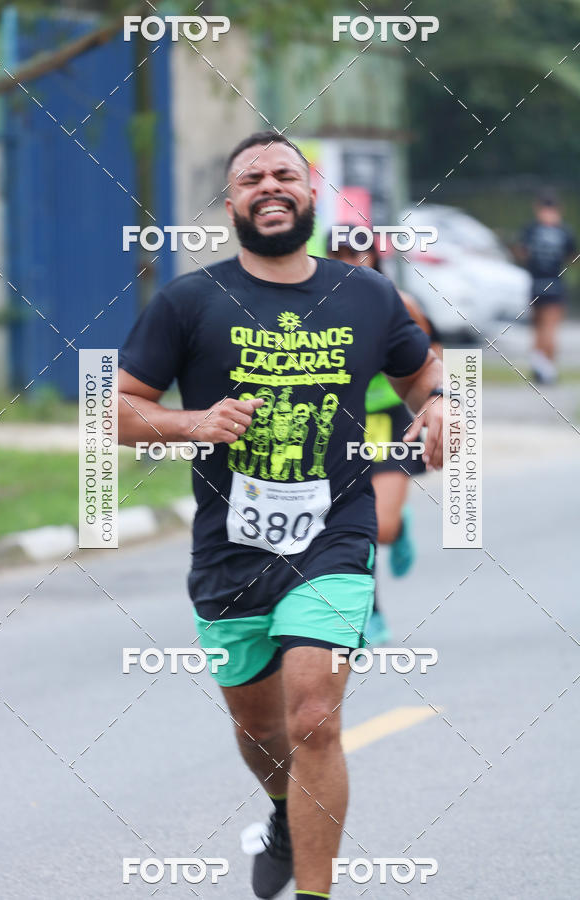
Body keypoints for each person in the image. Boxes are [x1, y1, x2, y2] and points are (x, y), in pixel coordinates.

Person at [117, 130, 443, 900]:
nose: (270, 185)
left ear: (309, 192)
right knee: (260, 729)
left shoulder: (366, 295)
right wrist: (192, 423)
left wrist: (440, 407)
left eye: (285, 174)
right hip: (230, 545)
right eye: (252, 177)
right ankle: (282, 813)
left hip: (334, 531)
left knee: (313, 718)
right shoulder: (188, 301)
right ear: (232, 202)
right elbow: (115, 410)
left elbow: (423, 374)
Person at [326, 229, 441, 644]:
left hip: (385, 420)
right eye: (340, 255)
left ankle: (398, 523)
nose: (350, 263)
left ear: (375, 258)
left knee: (383, 527)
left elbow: (432, 358)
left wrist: (439, 404)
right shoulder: (315, 305)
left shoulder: (398, 303)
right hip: (336, 422)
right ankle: (368, 611)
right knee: (346, 526)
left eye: (359, 254)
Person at [516, 192, 576, 385]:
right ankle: (546, 367)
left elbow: (522, 253)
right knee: (549, 328)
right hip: (554, 283)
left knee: (539, 327)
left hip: (535, 283)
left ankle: (539, 365)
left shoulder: (531, 229)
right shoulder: (564, 231)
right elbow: (572, 257)